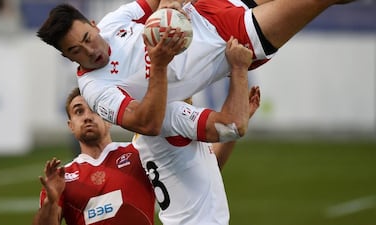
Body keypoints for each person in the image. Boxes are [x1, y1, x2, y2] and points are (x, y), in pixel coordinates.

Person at [37, 0, 355, 136]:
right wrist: (158, 64)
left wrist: (168, 7)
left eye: (89, 38)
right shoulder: (96, 90)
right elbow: (145, 124)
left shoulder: (112, 22)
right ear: (67, 58)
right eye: (76, 51)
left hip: (211, 7)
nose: (91, 50)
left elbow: (157, 2)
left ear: (93, 24)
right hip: (231, 39)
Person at [132, 37, 260, 224]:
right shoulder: (171, 114)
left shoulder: (152, 127)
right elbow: (230, 126)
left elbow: (209, 165)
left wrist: (238, 121)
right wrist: (239, 68)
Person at [32, 87, 156, 225]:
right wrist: (51, 202)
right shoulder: (61, 178)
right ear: (71, 126)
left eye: (94, 109)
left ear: (109, 119)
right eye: (79, 112)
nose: (87, 117)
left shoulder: (138, 153)